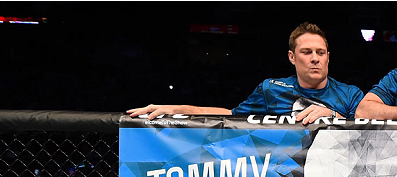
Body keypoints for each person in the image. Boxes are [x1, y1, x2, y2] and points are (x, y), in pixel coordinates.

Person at [127, 23, 363, 124]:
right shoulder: (272, 89)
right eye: (307, 52)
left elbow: (370, 135)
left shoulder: (351, 94)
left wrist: (335, 118)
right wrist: (176, 110)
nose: (314, 58)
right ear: (292, 57)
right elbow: (230, 115)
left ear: (328, 57)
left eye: (320, 52)